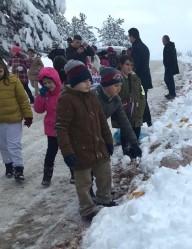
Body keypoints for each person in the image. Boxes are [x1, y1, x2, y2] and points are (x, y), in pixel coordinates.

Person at [56, 60, 117, 222]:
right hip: (79, 151)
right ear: (73, 82)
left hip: (98, 146)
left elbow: (102, 120)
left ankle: (104, 198)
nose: (88, 83)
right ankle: (87, 209)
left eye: (89, 80)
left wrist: (108, 140)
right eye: (84, 81)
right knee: (83, 183)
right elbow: (61, 128)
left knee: (105, 174)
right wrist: (67, 152)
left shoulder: (92, 96)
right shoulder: (66, 100)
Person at [33, 67, 74, 186]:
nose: (47, 85)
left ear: (56, 80)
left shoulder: (64, 93)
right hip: (52, 129)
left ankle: (74, 173)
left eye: (49, 82)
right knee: (51, 153)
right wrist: (40, 97)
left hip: (66, 128)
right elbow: (38, 110)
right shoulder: (45, 95)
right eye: (44, 83)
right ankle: (47, 176)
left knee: (69, 151)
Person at [90, 66, 142, 159]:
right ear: (106, 85)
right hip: (83, 133)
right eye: (116, 85)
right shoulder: (93, 97)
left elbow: (124, 122)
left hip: (100, 132)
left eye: (120, 86)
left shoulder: (115, 99)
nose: (119, 89)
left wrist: (134, 143)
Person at [0, 59, 33, 180]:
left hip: (13, 119)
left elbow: (23, 99)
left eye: (0, 71)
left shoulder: (13, 80)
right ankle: (9, 166)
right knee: (2, 145)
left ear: (4, 69)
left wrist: (28, 115)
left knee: (14, 145)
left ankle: (18, 169)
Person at [128, 28, 153, 127]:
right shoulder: (144, 46)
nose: (129, 38)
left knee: (140, 101)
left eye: (129, 36)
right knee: (142, 100)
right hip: (145, 79)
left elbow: (134, 66)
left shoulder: (136, 48)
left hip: (140, 80)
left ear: (132, 36)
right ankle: (147, 122)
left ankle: (146, 122)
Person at [162, 35, 180, 100]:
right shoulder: (168, 46)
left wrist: (167, 65)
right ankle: (171, 93)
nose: (162, 41)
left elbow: (170, 57)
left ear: (166, 40)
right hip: (168, 67)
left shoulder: (169, 46)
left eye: (163, 40)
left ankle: (173, 94)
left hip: (170, 67)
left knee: (168, 80)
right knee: (168, 80)